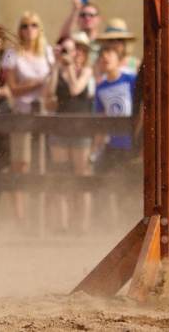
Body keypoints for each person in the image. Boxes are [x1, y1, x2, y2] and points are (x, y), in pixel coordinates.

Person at [1, 12, 54, 219]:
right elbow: (12, 88)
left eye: (33, 25)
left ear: (39, 29)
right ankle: (20, 217)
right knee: (20, 165)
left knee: (45, 165)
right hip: (22, 114)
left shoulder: (47, 52)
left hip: (46, 115)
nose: (29, 29)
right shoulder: (12, 54)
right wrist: (38, 84)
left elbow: (52, 85)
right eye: (24, 25)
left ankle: (42, 217)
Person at [49, 35, 95, 233]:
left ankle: (82, 225)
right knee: (61, 177)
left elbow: (76, 89)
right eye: (72, 50)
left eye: (78, 50)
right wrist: (55, 68)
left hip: (80, 130)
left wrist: (68, 69)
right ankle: (63, 224)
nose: (74, 54)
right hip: (60, 129)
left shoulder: (86, 70)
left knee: (82, 177)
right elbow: (48, 95)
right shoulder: (60, 70)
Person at [91, 29, 138, 174]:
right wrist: (95, 148)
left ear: (119, 59)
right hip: (113, 144)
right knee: (106, 181)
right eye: (102, 55)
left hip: (132, 143)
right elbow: (101, 119)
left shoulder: (131, 80)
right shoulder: (100, 88)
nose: (105, 58)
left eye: (109, 54)